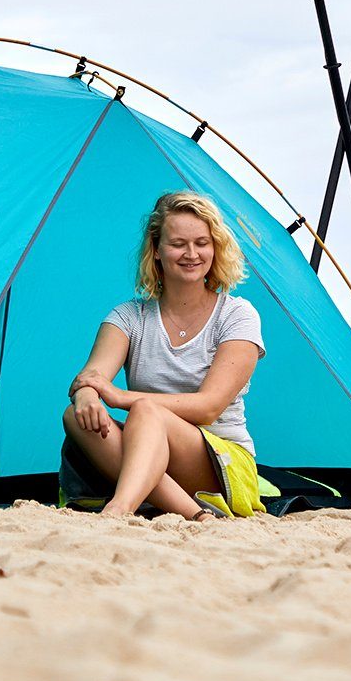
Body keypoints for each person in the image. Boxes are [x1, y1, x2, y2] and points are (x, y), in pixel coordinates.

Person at [63, 190, 265, 520]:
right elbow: (91, 377)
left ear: (215, 247)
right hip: (148, 454)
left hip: (222, 463)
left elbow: (209, 407)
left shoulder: (238, 315)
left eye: (202, 242)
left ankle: (119, 508)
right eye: (178, 243)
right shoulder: (129, 317)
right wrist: (86, 394)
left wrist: (120, 397)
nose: (191, 253)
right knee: (75, 417)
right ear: (156, 250)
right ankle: (194, 513)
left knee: (146, 411)